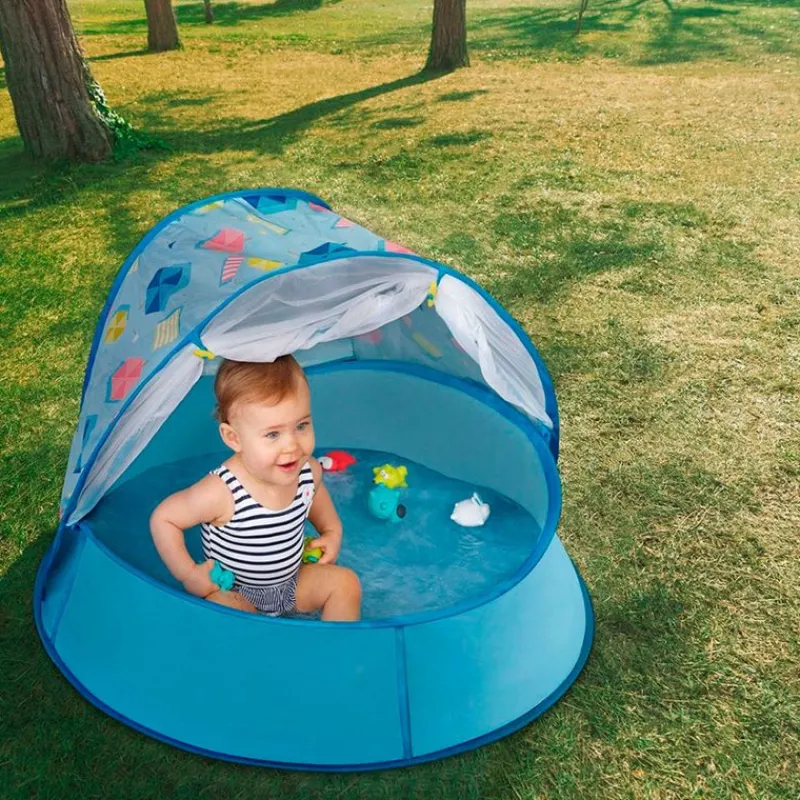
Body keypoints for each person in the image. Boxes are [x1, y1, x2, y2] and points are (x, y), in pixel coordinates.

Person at [150, 355, 361, 621]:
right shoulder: (222, 491)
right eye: (273, 434)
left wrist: (331, 532)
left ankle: (333, 646)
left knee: (346, 584)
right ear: (234, 438)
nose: (292, 446)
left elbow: (314, 493)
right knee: (223, 614)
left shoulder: (307, 470)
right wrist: (189, 573)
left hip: (291, 584)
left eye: (301, 426)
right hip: (236, 593)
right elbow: (164, 518)